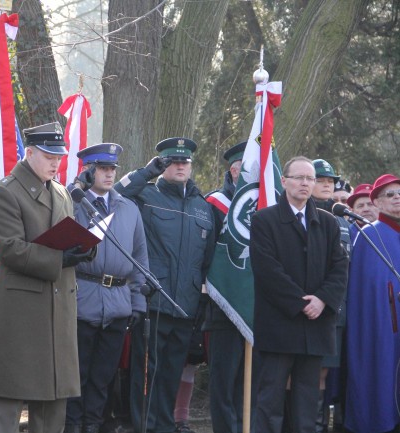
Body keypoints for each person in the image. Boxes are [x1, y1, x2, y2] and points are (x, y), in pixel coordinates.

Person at [0, 122, 94, 433]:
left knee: (53, 398)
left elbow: (69, 233)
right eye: (48, 156)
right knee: (9, 394)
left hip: (58, 307)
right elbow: (9, 249)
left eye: (59, 157)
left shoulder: (61, 192)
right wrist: (60, 258)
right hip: (22, 310)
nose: (55, 162)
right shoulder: (5, 192)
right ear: (29, 153)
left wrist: (86, 248)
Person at [114, 137, 215, 433]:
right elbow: (117, 194)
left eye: (185, 162)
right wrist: (148, 172)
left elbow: (205, 259)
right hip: (153, 301)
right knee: (146, 374)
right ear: (163, 164)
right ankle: (143, 426)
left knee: (171, 374)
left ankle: (163, 427)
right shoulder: (146, 195)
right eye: (173, 161)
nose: (180, 166)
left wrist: (200, 302)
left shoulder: (202, 206)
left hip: (185, 305)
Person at [250, 156, 348, 433]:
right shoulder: (264, 220)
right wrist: (300, 303)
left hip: (316, 327)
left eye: (310, 179)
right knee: (270, 403)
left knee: (306, 405)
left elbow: (340, 267)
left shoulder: (328, 223)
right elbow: (267, 270)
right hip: (279, 326)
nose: (306, 183)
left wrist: (322, 300)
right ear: (284, 181)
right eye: (300, 178)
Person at [64, 143, 148, 433]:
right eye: (102, 168)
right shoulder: (71, 204)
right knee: (77, 373)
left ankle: (93, 425)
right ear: (88, 171)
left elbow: (139, 258)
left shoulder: (128, 208)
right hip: (81, 299)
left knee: (103, 375)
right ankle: (73, 425)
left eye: (112, 168)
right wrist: (75, 192)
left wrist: (137, 302)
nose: (109, 174)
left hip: (118, 304)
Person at [344, 173, 400, 433]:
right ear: (376, 203)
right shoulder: (370, 236)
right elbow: (366, 293)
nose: (397, 198)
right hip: (383, 328)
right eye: (389, 195)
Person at [203, 141, 249, 433]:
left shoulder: (267, 204)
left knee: (251, 383)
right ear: (234, 171)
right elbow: (206, 253)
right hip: (224, 307)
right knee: (224, 381)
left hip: (257, 307)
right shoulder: (215, 203)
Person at [310, 158, 351, 433]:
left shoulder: (342, 220)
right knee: (300, 374)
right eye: (321, 180)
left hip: (335, 310)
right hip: (307, 307)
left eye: (330, 181)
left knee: (323, 373)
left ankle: (319, 426)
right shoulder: (300, 214)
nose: (327, 185)